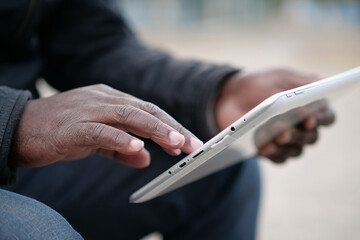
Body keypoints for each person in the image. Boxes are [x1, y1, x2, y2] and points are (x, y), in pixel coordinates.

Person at [0, 0, 334, 239]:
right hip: (13, 136)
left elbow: (93, 45)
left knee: (218, 167)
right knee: (36, 230)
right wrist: (13, 120)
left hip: (22, 164)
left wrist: (216, 93)